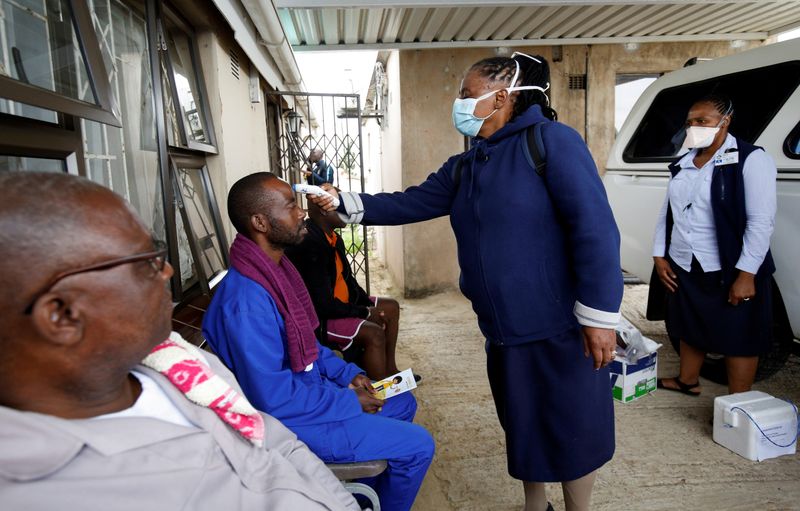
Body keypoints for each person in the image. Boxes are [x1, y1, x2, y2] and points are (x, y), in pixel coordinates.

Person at [307, 53, 623, 511]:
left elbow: (594, 230)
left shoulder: (551, 143)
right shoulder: (469, 163)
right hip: (502, 329)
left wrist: (599, 317)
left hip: (558, 325)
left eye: (466, 94)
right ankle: (537, 506)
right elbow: (409, 202)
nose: (458, 102)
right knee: (523, 424)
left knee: (574, 426)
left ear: (502, 97)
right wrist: (344, 201)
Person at [0, 172, 359, 511]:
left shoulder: (182, 366)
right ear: (61, 315)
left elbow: (279, 444)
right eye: (145, 262)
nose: (169, 271)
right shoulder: (60, 492)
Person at [201, 172, 434, 511]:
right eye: (289, 207)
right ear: (260, 222)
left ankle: (354, 499)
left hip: (311, 398)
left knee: (402, 402)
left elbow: (308, 346)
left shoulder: (276, 271)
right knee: (418, 446)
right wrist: (348, 402)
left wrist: (346, 376)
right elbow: (275, 400)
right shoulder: (246, 302)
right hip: (290, 422)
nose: (301, 214)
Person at [653, 94, 777, 396]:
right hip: (686, 260)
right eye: (690, 122)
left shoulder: (750, 159)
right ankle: (688, 381)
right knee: (688, 324)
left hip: (730, 265)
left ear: (725, 121)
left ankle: (738, 404)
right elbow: (666, 213)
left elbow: (761, 222)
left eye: (702, 121)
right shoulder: (683, 163)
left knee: (740, 334)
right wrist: (660, 255)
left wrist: (747, 274)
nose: (694, 127)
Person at [286, 199, 405, 380]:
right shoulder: (311, 244)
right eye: (339, 206)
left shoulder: (333, 238)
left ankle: (390, 371)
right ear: (325, 211)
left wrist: (368, 306)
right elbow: (322, 305)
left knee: (390, 307)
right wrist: (364, 312)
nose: (348, 211)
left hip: (342, 304)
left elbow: (348, 279)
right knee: (374, 333)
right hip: (322, 319)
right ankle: (380, 390)